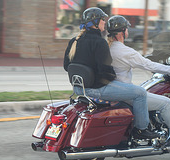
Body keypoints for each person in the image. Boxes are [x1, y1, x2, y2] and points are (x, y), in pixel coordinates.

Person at [63, 7, 159, 139]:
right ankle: (141, 130)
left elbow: (66, 66)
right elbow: (106, 72)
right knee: (140, 93)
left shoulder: (74, 41)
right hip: (96, 90)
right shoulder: (100, 42)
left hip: (79, 89)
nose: (104, 22)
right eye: (103, 19)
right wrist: (113, 91)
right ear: (95, 23)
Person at [106, 15, 170, 144]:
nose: (128, 31)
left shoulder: (107, 48)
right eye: (127, 29)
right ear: (122, 32)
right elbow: (148, 65)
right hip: (126, 93)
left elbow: (144, 61)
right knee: (166, 103)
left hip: (113, 89)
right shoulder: (125, 51)